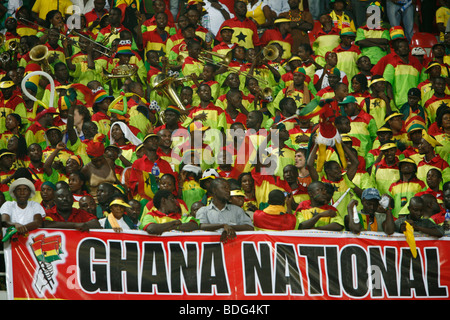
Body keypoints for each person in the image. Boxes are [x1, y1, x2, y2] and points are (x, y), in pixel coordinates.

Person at [196, 178, 254, 242]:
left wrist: (230, 228)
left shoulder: (237, 210)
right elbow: (200, 226)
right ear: (214, 190)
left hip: (233, 249)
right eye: (225, 187)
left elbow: (249, 227)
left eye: (229, 188)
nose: (228, 190)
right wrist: (223, 225)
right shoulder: (203, 211)